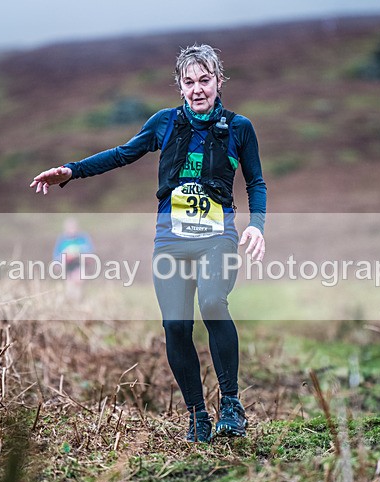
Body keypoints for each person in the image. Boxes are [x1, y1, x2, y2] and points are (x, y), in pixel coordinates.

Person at [30, 44, 267, 443]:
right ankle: (198, 417)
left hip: (217, 238)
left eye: (205, 80)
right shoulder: (165, 123)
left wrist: (256, 226)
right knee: (176, 327)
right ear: (179, 86)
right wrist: (71, 171)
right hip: (170, 242)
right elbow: (122, 154)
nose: (197, 90)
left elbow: (256, 182)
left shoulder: (239, 127)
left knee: (212, 302)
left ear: (219, 81)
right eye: (189, 82)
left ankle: (231, 406)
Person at [52, 217, 94, 282]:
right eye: (69, 228)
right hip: (67, 264)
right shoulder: (62, 239)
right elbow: (56, 255)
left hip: (79, 263)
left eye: (73, 227)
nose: (72, 230)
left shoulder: (82, 237)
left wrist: (78, 252)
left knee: (78, 278)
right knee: (70, 283)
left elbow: (90, 251)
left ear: (77, 228)